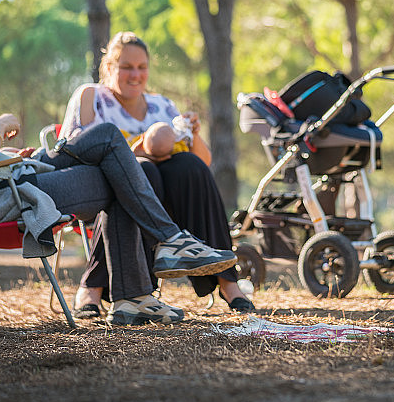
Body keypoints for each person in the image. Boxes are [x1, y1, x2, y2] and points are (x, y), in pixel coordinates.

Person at [0, 17, 238, 326]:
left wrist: (12, 154)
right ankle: (148, 273)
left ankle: (141, 286)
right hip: (3, 198)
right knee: (115, 160)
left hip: (13, 179)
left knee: (109, 144)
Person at [61, 31, 256, 313]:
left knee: (190, 166)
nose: (135, 75)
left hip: (162, 202)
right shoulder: (92, 97)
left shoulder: (162, 106)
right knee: (142, 171)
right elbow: (76, 150)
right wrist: (135, 151)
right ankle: (93, 286)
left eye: (142, 67)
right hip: (103, 190)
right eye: (126, 67)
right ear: (109, 67)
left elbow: (204, 162)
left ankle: (227, 281)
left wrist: (194, 135)